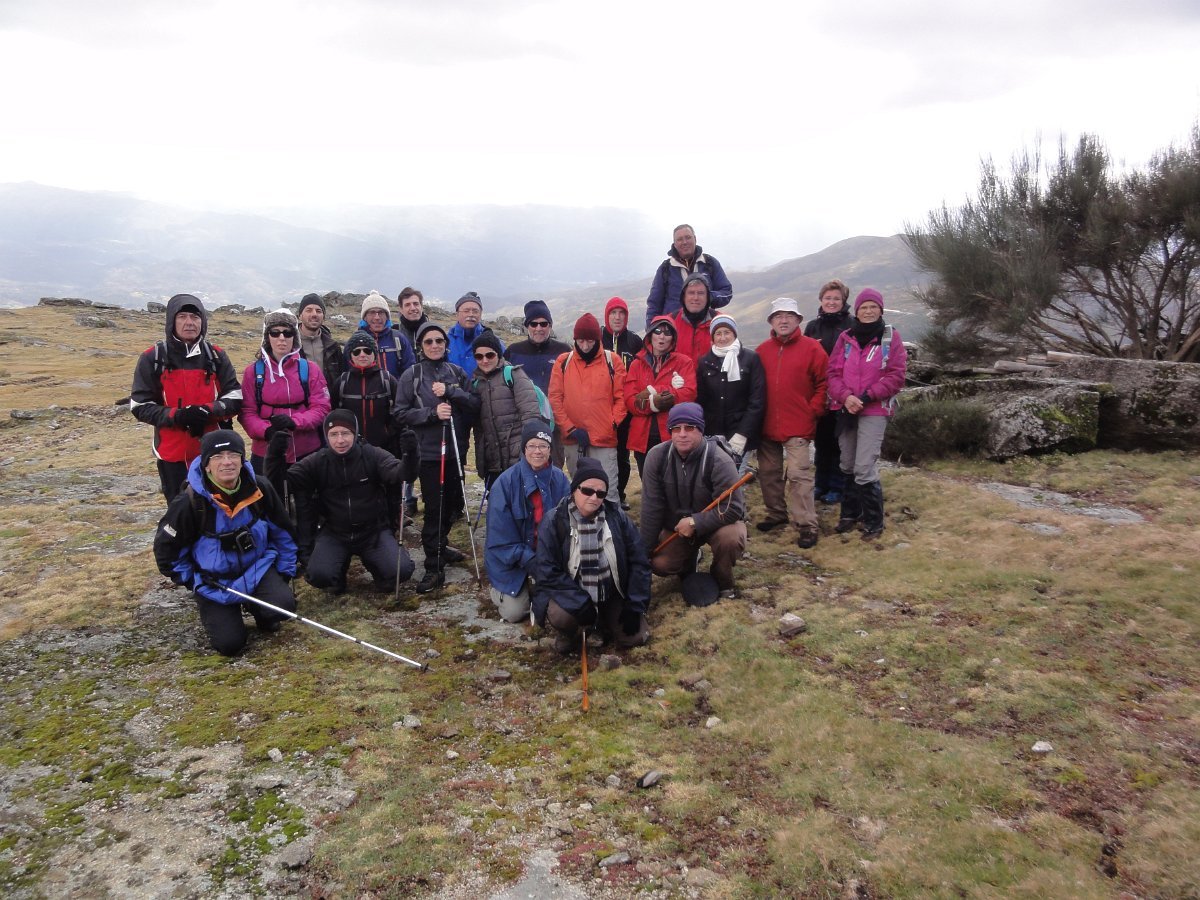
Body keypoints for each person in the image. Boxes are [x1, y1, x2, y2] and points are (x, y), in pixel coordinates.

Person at [153, 430, 297, 656]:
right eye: (218, 457)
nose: (227, 462)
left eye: (233, 455)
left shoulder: (260, 488)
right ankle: (225, 613)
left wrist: (284, 572)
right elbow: (166, 554)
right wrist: (194, 581)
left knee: (283, 608)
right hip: (215, 584)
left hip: (257, 570)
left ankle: (259, 608)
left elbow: (284, 533)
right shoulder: (188, 503)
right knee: (230, 645)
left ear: (243, 459)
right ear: (206, 464)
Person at [287, 410, 418, 594]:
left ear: (355, 433)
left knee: (400, 572)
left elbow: (402, 474)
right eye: (334, 434)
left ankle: (378, 568)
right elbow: (284, 482)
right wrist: (275, 456)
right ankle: (336, 575)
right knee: (318, 575)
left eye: (345, 433)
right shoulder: (317, 461)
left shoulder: (373, 455)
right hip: (335, 533)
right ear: (326, 436)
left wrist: (410, 454)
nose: (340, 440)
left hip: (373, 531)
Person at [394, 321, 481, 593]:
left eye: (439, 341)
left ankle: (441, 547)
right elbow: (399, 413)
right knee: (435, 508)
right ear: (420, 345)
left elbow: (475, 403)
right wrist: (431, 415)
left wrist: (451, 392)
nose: (434, 345)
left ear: (446, 344)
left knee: (454, 505)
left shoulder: (455, 372)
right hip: (429, 454)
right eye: (429, 341)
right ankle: (433, 566)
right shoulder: (412, 375)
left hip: (456, 450)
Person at [130, 293, 243, 502]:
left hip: (215, 453)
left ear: (203, 322)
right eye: (182, 316)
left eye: (195, 317)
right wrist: (179, 416)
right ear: (171, 320)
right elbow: (140, 405)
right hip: (172, 454)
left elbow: (235, 397)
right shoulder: (153, 358)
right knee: (180, 511)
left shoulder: (216, 356)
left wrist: (207, 412)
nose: (189, 322)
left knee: (220, 509)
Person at [533, 457, 651, 653]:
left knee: (636, 637)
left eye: (600, 493)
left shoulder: (617, 517)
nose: (594, 497)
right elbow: (546, 571)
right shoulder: (554, 520)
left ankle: (602, 621)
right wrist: (579, 602)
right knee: (562, 616)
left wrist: (636, 604)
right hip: (572, 594)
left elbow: (639, 561)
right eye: (587, 490)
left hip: (611, 593)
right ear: (574, 489)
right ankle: (569, 631)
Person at [639, 403, 747, 599]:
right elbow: (651, 508)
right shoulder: (656, 457)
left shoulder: (720, 460)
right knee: (660, 565)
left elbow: (733, 508)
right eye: (676, 428)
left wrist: (696, 522)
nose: (682, 434)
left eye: (690, 428)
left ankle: (723, 581)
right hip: (676, 529)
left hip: (717, 526)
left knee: (731, 537)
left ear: (701, 430)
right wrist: (642, 552)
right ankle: (688, 564)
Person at [827, 288, 908, 541]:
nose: (869, 311)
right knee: (847, 463)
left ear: (881, 310)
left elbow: (896, 375)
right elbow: (833, 373)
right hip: (847, 408)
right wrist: (846, 397)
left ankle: (874, 521)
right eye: (864, 307)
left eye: (873, 306)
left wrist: (866, 396)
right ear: (857, 311)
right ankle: (850, 514)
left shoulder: (889, 338)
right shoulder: (846, 338)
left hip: (874, 409)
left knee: (864, 466)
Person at [755, 298, 828, 549]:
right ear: (771, 322)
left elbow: (823, 383)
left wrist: (813, 411)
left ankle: (806, 524)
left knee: (798, 475)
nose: (783, 320)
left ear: (798, 320)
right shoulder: (762, 351)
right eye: (778, 316)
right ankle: (776, 514)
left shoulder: (812, 349)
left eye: (789, 316)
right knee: (769, 473)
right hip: (766, 425)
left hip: (798, 423)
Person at [484, 421, 571, 623]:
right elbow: (500, 538)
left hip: (548, 558)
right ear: (524, 448)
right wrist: (531, 561)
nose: (537, 451)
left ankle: (537, 584)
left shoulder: (560, 479)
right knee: (515, 613)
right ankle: (499, 591)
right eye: (532, 445)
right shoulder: (504, 484)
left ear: (550, 449)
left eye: (543, 446)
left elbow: (568, 525)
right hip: (513, 560)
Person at [239, 309, 332, 482]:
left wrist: (294, 422)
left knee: (308, 505)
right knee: (268, 505)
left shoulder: (310, 369)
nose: (281, 338)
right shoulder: (253, 372)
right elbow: (246, 412)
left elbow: (322, 407)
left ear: (294, 337)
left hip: (307, 452)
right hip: (265, 452)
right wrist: (267, 431)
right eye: (275, 332)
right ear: (267, 337)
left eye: (287, 332)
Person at [548, 313, 627, 488]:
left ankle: (608, 516)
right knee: (580, 489)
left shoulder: (612, 361)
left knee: (607, 490)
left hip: (604, 440)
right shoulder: (563, 362)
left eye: (590, 341)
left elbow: (621, 397)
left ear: (597, 339)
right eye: (580, 341)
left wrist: (611, 423)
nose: (584, 346)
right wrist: (570, 428)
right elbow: (555, 398)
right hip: (573, 441)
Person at [623, 316, 697, 474]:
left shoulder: (684, 362)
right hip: (643, 438)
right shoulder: (637, 364)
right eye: (657, 331)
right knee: (649, 483)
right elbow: (630, 401)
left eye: (667, 332)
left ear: (673, 338)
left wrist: (653, 392)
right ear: (650, 334)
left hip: (672, 435)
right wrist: (655, 403)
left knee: (673, 483)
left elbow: (689, 394)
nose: (662, 336)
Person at [470, 331, 543, 488]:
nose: (484, 360)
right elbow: (479, 431)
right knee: (498, 505)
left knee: (522, 505)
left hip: (518, 458)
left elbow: (531, 417)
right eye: (479, 356)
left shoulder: (514, 375)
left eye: (489, 355)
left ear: (498, 354)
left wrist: (528, 453)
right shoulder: (476, 384)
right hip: (492, 461)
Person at [805, 279, 853, 504]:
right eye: (828, 298)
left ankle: (837, 485)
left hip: (844, 393)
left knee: (838, 442)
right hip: (818, 392)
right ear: (821, 300)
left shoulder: (852, 325)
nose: (831, 302)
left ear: (843, 301)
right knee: (821, 441)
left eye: (836, 298)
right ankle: (820, 483)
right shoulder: (812, 327)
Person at [695, 314, 765, 467]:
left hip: (740, 433)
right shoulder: (704, 362)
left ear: (734, 333)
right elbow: (700, 399)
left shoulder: (751, 359)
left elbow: (757, 400)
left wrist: (743, 434)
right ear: (712, 336)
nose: (722, 337)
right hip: (712, 433)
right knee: (713, 478)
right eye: (718, 333)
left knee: (735, 479)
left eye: (727, 332)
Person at [506, 300, 571, 465]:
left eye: (544, 323)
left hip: (555, 423)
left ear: (550, 325)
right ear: (527, 326)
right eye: (533, 324)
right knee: (527, 468)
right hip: (523, 423)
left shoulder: (563, 351)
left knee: (554, 467)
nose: (539, 328)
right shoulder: (513, 352)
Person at [645, 224, 733, 327]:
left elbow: (727, 292)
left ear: (695, 239)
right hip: (673, 332)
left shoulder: (710, 263)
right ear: (674, 244)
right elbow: (654, 304)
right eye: (680, 239)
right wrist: (651, 331)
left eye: (688, 237)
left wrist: (708, 297)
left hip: (704, 328)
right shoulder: (665, 269)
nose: (685, 242)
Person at [601, 297, 642, 509]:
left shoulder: (634, 341)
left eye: (622, 313)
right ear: (606, 316)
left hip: (626, 410)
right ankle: (600, 494)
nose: (617, 317)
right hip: (600, 409)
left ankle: (619, 495)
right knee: (600, 453)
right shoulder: (598, 339)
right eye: (613, 313)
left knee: (622, 456)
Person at [336, 331, 402, 453]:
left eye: (367, 350)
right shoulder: (342, 382)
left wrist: (389, 433)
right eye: (356, 351)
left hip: (385, 449)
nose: (362, 355)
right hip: (351, 449)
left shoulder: (388, 380)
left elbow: (400, 412)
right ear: (350, 355)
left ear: (374, 354)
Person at [354, 291, 416, 378]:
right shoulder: (354, 342)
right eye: (372, 312)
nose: (377, 317)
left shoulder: (399, 339)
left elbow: (410, 372)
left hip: (397, 391)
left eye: (381, 312)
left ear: (387, 316)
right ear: (365, 317)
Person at [447, 291, 504, 378]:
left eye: (475, 311)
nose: (471, 314)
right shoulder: (445, 341)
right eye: (466, 311)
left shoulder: (493, 341)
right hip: (454, 390)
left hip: (485, 390)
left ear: (480, 314)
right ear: (457, 314)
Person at [667, 273, 716, 369]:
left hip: (711, 382)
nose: (696, 298)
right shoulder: (669, 322)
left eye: (701, 293)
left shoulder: (720, 321)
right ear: (683, 296)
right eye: (691, 293)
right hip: (677, 381)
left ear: (708, 297)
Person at [296, 293, 345, 388]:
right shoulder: (290, 346)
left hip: (328, 401)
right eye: (309, 310)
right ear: (300, 316)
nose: (314, 314)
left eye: (318, 311)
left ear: (324, 316)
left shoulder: (333, 348)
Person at [396, 286, 428, 356]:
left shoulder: (434, 331)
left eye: (416, 304)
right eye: (407, 305)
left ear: (421, 306)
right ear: (401, 309)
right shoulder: (394, 334)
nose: (413, 308)